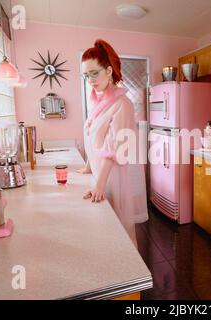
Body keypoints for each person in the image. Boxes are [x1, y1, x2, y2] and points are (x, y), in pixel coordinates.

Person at [79, 39, 148, 246]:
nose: (90, 79)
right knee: (106, 232)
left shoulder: (122, 104)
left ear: (109, 71)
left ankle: (133, 274)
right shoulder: (98, 101)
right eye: (86, 75)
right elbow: (94, 138)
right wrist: (88, 167)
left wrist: (99, 185)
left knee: (122, 234)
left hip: (115, 176)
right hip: (101, 174)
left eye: (95, 73)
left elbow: (112, 148)